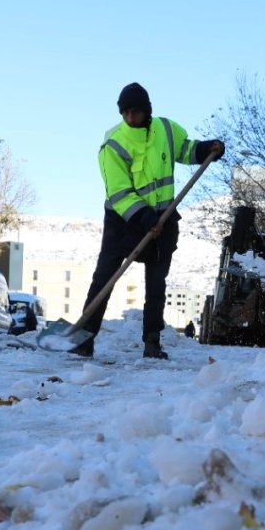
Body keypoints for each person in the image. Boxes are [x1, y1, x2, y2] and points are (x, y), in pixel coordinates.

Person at [72, 83, 224, 359]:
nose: (131, 118)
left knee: (157, 283)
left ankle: (152, 341)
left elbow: (186, 150)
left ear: (147, 110)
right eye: (126, 112)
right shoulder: (113, 144)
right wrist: (144, 217)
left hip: (163, 219)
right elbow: (119, 193)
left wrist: (205, 149)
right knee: (104, 277)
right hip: (123, 221)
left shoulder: (166, 130)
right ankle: (84, 339)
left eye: (136, 112)